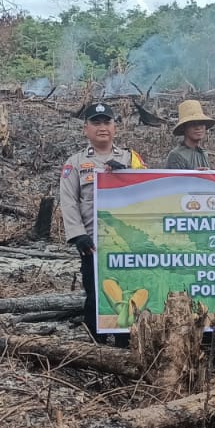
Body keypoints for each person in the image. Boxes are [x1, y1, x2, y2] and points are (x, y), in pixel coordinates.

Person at [59, 101, 145, 345]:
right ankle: (95, 349)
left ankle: (124, 346)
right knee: (96, 296)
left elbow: (147, 187)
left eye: (107, 122)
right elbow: (68, 201)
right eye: (96, 123)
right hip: (93, 242)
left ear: (115, 127)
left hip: (126, 243)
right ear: (86, 129)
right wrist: (78, 235)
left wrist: (127, 174)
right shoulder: (74, 163)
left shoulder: (131, 158)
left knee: (126, 293)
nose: (102, 127)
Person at [164, 99, 215, 169]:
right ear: (184, 127)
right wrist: (193, 175)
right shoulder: (176, 155)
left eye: (201, 123)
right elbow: (173, 179)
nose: (198, 127)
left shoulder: (203, 154)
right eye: (193, 123)